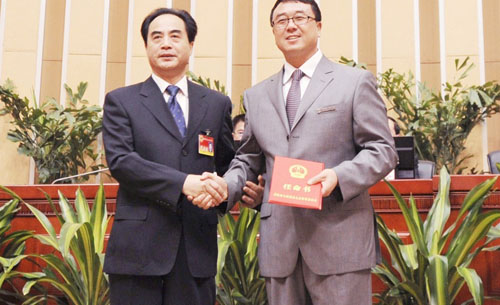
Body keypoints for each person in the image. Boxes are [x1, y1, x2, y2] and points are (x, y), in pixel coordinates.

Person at [195, 0, 398, 304]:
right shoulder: (257, 95)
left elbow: (382, 149)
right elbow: (248, 159)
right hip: (281, 243)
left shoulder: (354, 82)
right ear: (273, 31)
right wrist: (228, 186)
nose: (290, 25)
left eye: (300, 17)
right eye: (281, 20)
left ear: (318, 26)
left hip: (339, 238)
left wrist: (338, 177)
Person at [102, 7, 233, 305]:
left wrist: (227, 189)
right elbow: (123, 162)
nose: (165, 43)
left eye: (175, 36)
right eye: (156, 37)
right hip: (138, 252)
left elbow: (226, 165)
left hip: (195, 250)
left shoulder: (215, 103)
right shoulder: (122, 101)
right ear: (146, 46)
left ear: (190, 44)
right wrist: (184, 183)